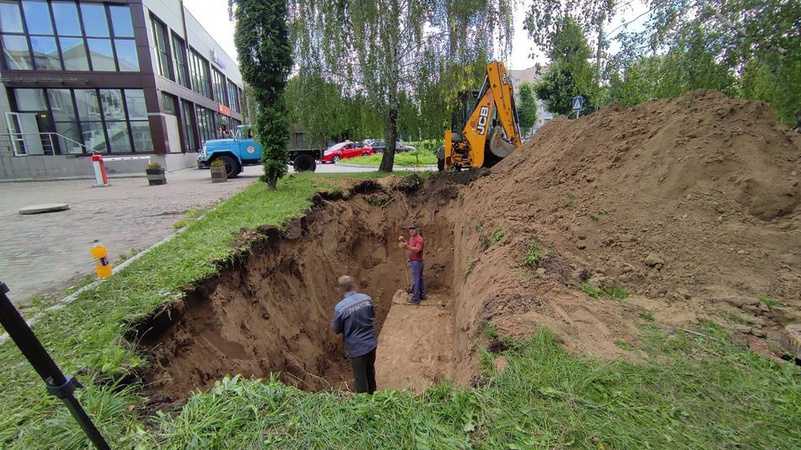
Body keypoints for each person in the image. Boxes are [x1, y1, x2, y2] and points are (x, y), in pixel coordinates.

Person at [331, 275, 377, 394]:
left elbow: (336, 329)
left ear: (340, 290)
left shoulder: (340, 308)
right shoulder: (366, 299)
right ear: (354, 285)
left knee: (360, 378)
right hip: (371, 344)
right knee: (370, 371)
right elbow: (373, 315)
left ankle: (364, 406)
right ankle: (374, 396)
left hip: (356, 348)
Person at [398, 222, 425, 303]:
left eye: (413, 229)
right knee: (419, 278)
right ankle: (422, 295)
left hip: (417, 262)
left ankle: (416, 298)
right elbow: (409, 246)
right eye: (410, 229)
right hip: (414, 262)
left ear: (417, 230)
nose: (411, 230)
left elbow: (417, 249)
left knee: (416, 280)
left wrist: (406, 246)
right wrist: (403, 241)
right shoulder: (412, 238)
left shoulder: (419, 239)